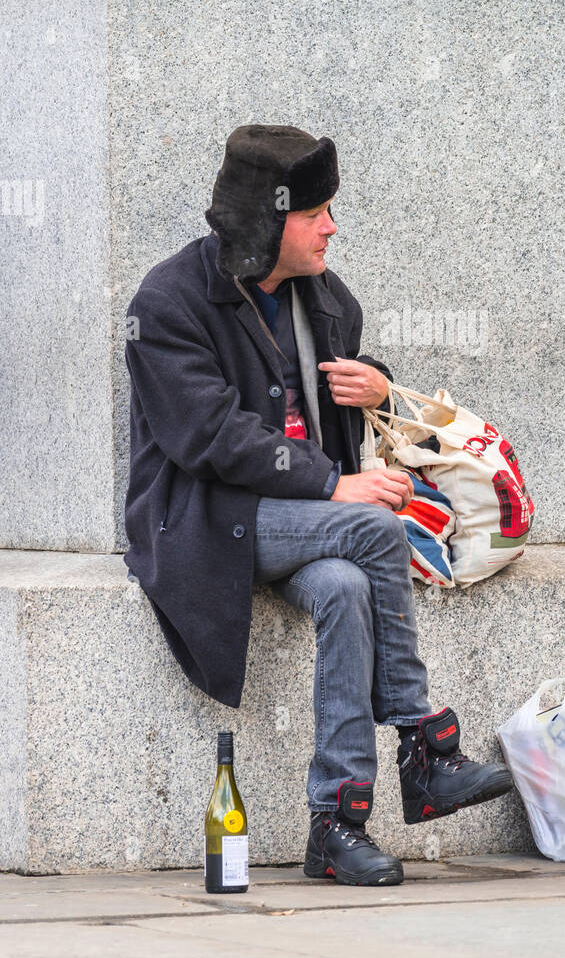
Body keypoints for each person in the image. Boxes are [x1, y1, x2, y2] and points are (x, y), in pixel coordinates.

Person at [123, 123, 513, 886]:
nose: (331, 226)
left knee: (343, 586)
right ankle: (423, 746)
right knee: (372, 526)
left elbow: (320, 400)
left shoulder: (326, 300)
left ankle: (336, 822)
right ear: (269, 222)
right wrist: (335, 485)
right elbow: (205, 434)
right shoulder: (167, 302)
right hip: (207, 521)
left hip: (306, 527)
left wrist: (372, 378)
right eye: (314, 214)